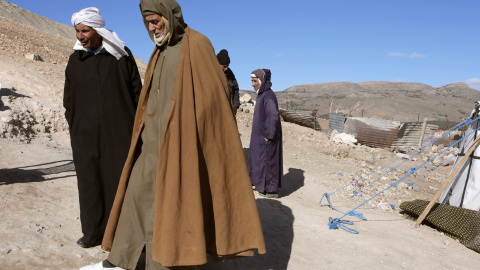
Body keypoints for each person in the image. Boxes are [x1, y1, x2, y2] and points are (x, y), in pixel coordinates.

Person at [81, 1, 265, 269]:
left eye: (156, 21)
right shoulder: (160, 50)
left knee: (170, 208)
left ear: (169, 16)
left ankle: (164, 263)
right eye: (148, 23)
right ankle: (118, 260)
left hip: (180, 144)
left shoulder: (198, 45)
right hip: (150, 144)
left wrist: (191, 136)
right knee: (135, 197)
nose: (152, 27)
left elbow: (214, 102)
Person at [63, 7, 142, 248]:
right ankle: (92, 231)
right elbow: (69, 98)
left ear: (98, 30)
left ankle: (118, 231)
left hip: (120, 133)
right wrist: (77, 124)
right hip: (85, 135)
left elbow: (137, 94)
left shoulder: (121, 56)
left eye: (85, 30)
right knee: (89, 181)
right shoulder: (76, 59)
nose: (80, 36)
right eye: (77, 31)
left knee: (118, 180)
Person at [249, 69, 283, 198]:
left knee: (267, 160)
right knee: (258, 158)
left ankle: (270, 189)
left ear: (262, 80)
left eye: (254, 81)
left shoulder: (268, 95)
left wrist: (268, 134)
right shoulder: (263, 94)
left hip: (267, 136)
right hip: (261, 134)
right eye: (252, 81)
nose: (252, 84)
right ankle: (258, 183)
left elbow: (273, 115)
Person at [216, 49, 240, 117]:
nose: (226, 68)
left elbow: (235, 89)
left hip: (230, 109)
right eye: (224, 66)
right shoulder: (212, 73)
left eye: (227, 66)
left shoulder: (230, 73)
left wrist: (235, 105)